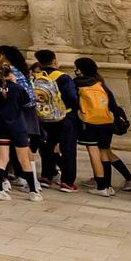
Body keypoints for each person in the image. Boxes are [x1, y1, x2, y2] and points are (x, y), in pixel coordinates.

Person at [73, 57, 131, 195]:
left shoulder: (77, 84)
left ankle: (102, 185)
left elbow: (73, 102)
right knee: (104, 151)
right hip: (106, 121)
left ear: (80, 70)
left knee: (93, 152)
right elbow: (112, 104)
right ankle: (107, 185)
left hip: (88, 122)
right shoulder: (100, 83)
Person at [0, 48, 41, 201]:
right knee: (24, 158)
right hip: (17, 126)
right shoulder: (17, 88)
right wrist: (15, 82)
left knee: (2, 158)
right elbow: (27, 102)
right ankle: (33, 191)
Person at [30, 48, 79, 192]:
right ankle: (67, 181)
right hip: (64, 116)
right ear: (54, 61)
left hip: (43, 117)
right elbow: (72, 97)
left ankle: (46, 175)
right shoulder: (63, 77)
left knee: (46, 146)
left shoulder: (36, 77)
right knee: (68, 149)